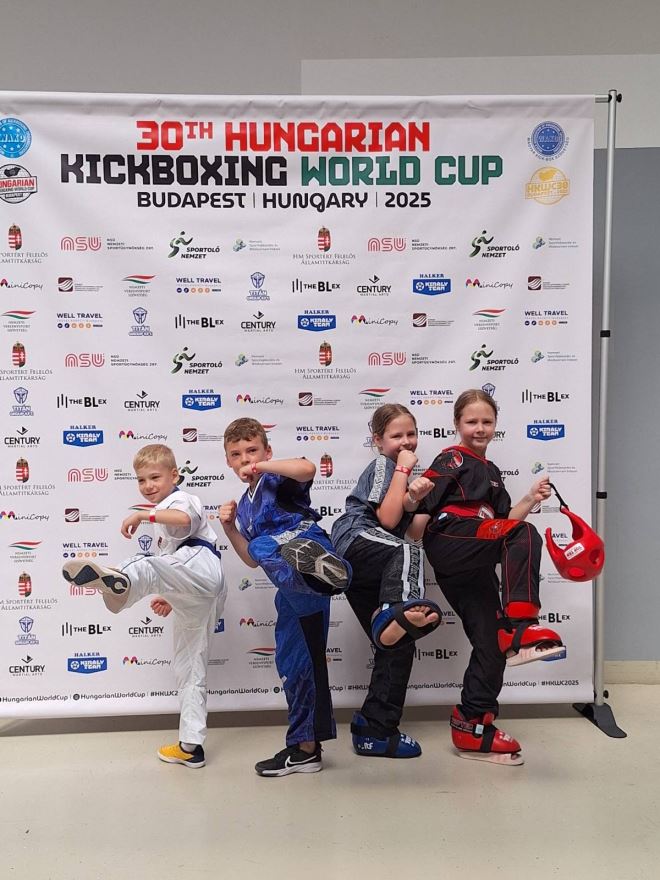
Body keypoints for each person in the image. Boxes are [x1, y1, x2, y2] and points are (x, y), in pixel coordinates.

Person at [410, 389, 565, 766]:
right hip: (450, 540)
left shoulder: (493, 473)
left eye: (487, 421)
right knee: (523, 535)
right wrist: (413, 501)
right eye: (471, 421)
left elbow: (505, 523)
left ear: (496, 425)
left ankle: (472, 726)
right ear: (457, 424)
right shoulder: (451, 458)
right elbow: (418, 524)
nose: (480, 428)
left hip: (475, 558)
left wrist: (531, 498)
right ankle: (521, 626)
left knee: (491, 643)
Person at [62, 443, 225, 770]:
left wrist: (141, 514)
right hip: (198, 591)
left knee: (145, 564)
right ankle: (191, 746)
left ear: (174, 476)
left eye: (155, 477)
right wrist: (170, 594)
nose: (148, 485)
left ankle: (121, 584)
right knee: (189, 668)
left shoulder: (181, 499)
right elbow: (173, 567)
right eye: (141, 480)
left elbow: (183, 520)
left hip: (202, 565)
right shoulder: (162, 522)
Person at [219, 417, 351, 777]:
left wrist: (263, 468)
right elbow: (250, 560)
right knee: (294, 665)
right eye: (237, 454)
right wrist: (229, 527)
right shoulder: (244, 506)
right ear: (228, 461)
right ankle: (305, 749)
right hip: (289, 589)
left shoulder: (276, 478)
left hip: (306, 544)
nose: (245, 459)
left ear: (267, 452)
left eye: (252, 451)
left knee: (264, 544)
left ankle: (326, 574)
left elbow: (307, 469)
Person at [331, 404, 441, 759]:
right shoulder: (385, 465)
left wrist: (420, 500)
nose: (406, 442)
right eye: (396, 436)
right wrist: (404, 470)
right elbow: (387, 518)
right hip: (356, 536)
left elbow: (412, 528)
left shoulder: (405, 477)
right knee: (407, 553)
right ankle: (396, 610)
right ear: (378, 441)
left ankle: (375, 730)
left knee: (399, 644)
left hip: (372, 566)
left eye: (411, 434)